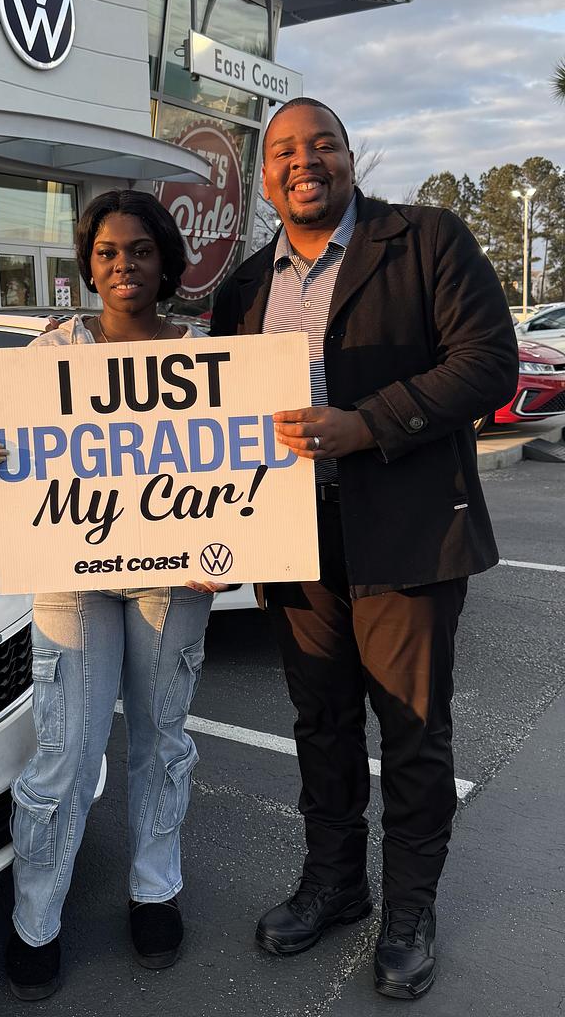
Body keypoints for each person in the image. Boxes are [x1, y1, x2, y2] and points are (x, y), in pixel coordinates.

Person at [210, 97, 518, 1001]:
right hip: (291, 538)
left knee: (414, 730)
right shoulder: (242, 287)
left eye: (323, 145)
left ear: (350, 157)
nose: (303, 162)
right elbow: (211, 417)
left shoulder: (426, 240)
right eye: (283, 152)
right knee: (322, 723)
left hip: (407, 533)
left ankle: (410, 911)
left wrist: (367, 423)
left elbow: (487, 362)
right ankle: (335, 884)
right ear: (266, 179)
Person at [0, 190, 218, 1001]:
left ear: (166, 259)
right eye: (107, 252)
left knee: (161, 740)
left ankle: (155, 890)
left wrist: (235, 539)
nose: (123, 265)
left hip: (170, 572)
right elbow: (16, 451)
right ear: (88, 264)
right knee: (67, 752)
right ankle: (35, 919)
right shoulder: (51, 353)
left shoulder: (205, 355)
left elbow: (237, 466)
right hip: (71, 567)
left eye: (140, 250)